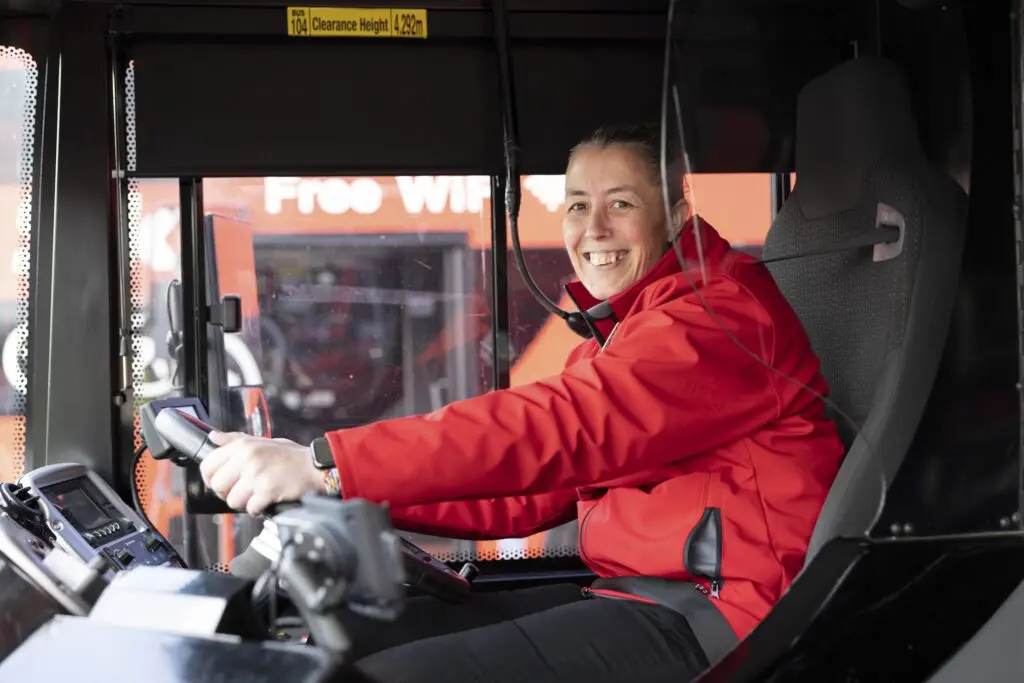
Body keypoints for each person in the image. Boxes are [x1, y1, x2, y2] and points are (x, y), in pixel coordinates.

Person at [199, 123, 845, 683]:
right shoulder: (627, 328)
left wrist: (327, 461)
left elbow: (552, 429)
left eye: (621, 203)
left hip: (720, 620)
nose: (593, 229)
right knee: (360, 644)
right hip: (637, 593)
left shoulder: (718, 315)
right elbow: (528, 493)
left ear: (676, 213)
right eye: (575, 205)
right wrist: (349, 490)